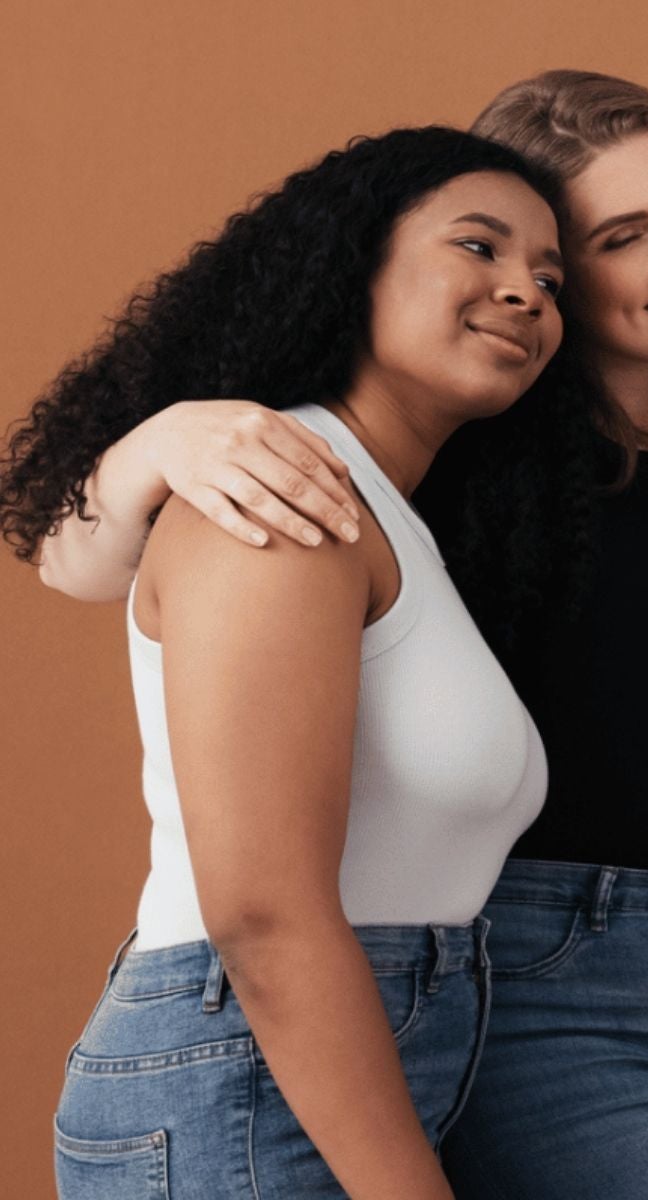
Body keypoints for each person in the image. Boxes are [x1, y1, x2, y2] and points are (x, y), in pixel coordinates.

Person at [22, 72, 648, 1197]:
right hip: (546, 978)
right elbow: (85, 562)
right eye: (620, 236)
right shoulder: (440, 473)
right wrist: (161, 443)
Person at [4, 127, 566, 1198]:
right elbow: (262, 912)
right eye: (480, 248)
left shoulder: (386, 511)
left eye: (547, 276)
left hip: (314, 1070)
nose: (528, 292)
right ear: (357, 263)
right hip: (244, 1088)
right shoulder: (277, 488)